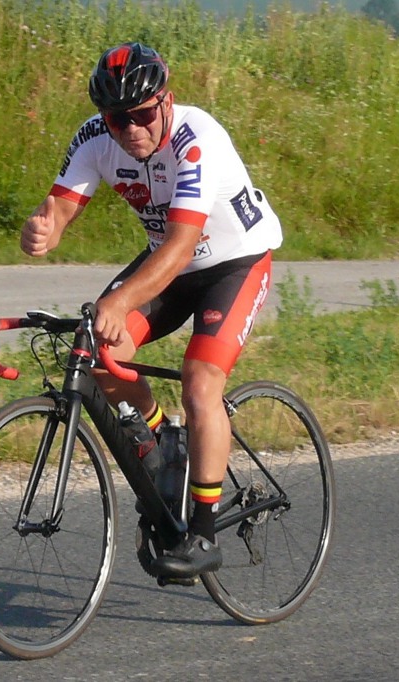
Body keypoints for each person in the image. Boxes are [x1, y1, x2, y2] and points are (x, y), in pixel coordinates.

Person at [20, 42, 283, 579]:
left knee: (200, 381)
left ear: (167, 101)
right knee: (101, 354)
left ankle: (204, 533)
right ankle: (167, 447)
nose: (131, 129)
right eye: (118, 119)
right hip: (171, 264)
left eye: (142, 114)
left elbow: (182, 247)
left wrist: (120, 300)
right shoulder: (95, 137)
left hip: (233, 262)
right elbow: (59, 208)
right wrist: (42, 229)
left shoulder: (197, 140)